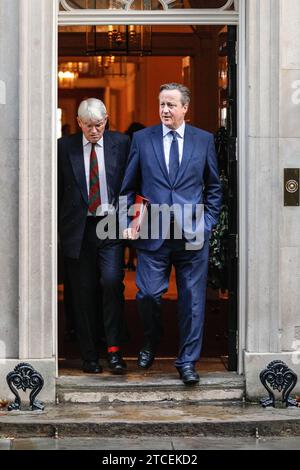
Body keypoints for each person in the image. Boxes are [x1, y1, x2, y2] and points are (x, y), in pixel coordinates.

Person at [121, 83, 222, 385]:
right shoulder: (142, 138)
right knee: (148, 295)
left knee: (193, 301)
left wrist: (208, 222)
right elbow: (129, 186)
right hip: (153, 233)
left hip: (192, 234)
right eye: (162, 104)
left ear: (185, 108)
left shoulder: (203, 141)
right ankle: (151, 339)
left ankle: (188, 362)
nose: (165, 110)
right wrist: (130, 219)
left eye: (171, 105)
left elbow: (214, 186)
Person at [58, 98, 130, 374]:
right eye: (88, 125)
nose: (93, 131)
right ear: (78, 123)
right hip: (78, 230)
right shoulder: (64, 147)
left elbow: (129, 182)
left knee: (112, 283)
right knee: (83, 292)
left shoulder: (121, 144)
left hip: (110, 225)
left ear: (107, 119)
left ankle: (114, 351)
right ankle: (89, 356)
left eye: (98, 125)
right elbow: (58, 190)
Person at [124, 122, 146, 271]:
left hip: (129, 196)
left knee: (128, 230)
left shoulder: (126, 147)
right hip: (140, 197)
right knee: (137, 229)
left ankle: (127, 260)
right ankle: (132, 259)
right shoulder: (142, 147)